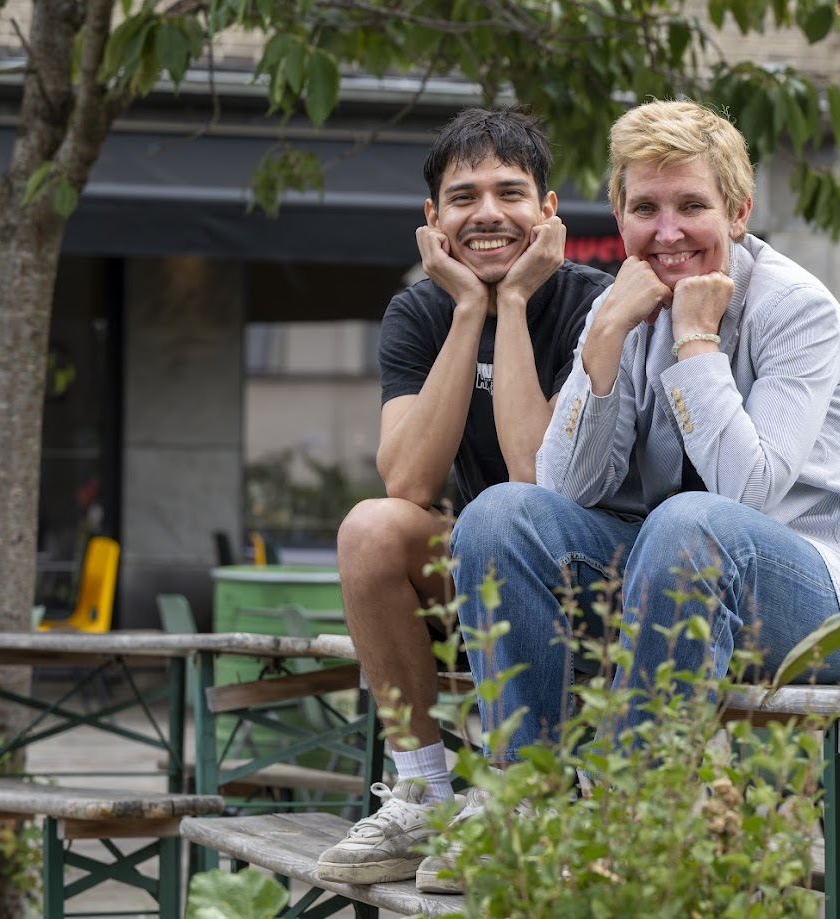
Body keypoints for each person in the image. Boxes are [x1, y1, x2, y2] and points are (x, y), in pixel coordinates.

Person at [451, 98, 840, 782]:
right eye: (645, 209)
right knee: (499, 515)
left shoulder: (795, 308)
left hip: (826, 599)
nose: (667, 232)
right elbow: (562, 488)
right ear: (620, 218)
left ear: (738, 212)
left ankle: (637, 812)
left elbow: (746, 494)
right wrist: (606, 338)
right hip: (668, 575)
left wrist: (696, 340)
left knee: (691, 523)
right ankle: (525, 793)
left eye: (691, 205)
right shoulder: (623, 304)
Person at [317, 108, 613, 888]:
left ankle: (532, 795)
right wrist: (467, 310)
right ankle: (422, 791)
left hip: (603, 573)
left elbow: (534, 478)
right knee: (372, 530)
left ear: (548, 213)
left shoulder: (595, 304)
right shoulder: (419, 311)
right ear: (433, 221)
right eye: (463, 196)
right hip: (487, 569)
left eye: (510, 192)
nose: (486, 213)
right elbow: (408, 483)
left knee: (502, 512)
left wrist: (512, 304)